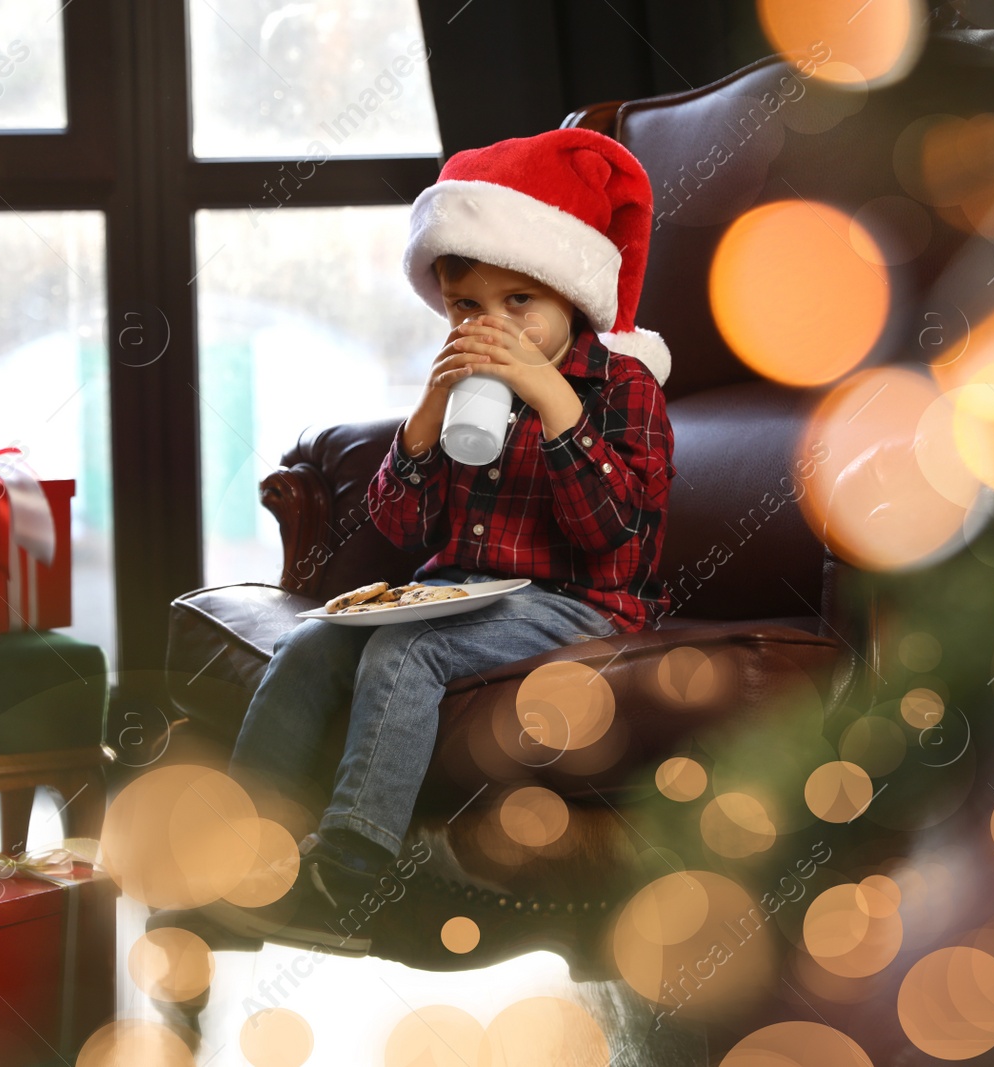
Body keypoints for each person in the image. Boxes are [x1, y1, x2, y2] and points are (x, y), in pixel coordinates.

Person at [207, 127, 676, 955]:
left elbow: (617, 541)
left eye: (519, 303)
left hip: (579, 603)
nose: (492, 326)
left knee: (405, 657)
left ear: (570, 295)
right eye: (469, 306)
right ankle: (245, 851)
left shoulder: (622, 387)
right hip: (459, 585)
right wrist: (425, 418)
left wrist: (551, 402)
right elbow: (396, 528)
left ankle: (351, 870)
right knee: (318, 642)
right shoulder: (460, 387)